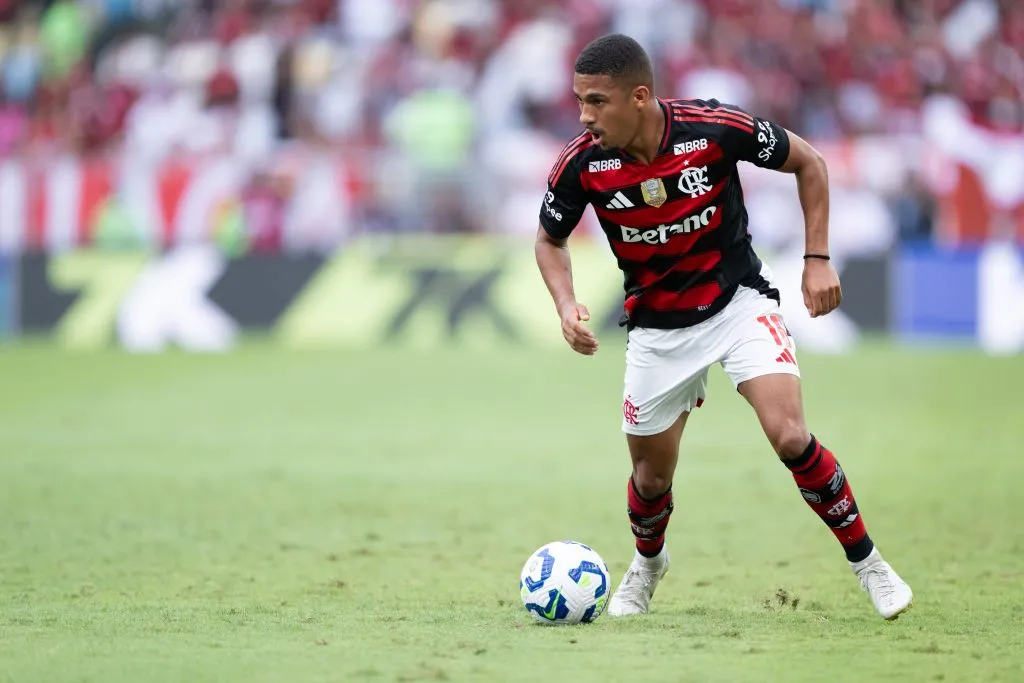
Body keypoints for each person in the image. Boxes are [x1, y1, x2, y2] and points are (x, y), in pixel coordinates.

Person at [534, 34, 913, 620]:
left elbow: (808, 161)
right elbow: (549, 239)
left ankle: (871, 566)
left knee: (789, 435)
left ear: (639, 96)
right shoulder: (583, 162)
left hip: (738, 304)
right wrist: (565, 303)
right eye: (580, 101)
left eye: (596, 101)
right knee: (650, 478)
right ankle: (648, 564)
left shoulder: (712, 129)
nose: (585, 115)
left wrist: (817, 259)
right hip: (656, 331)